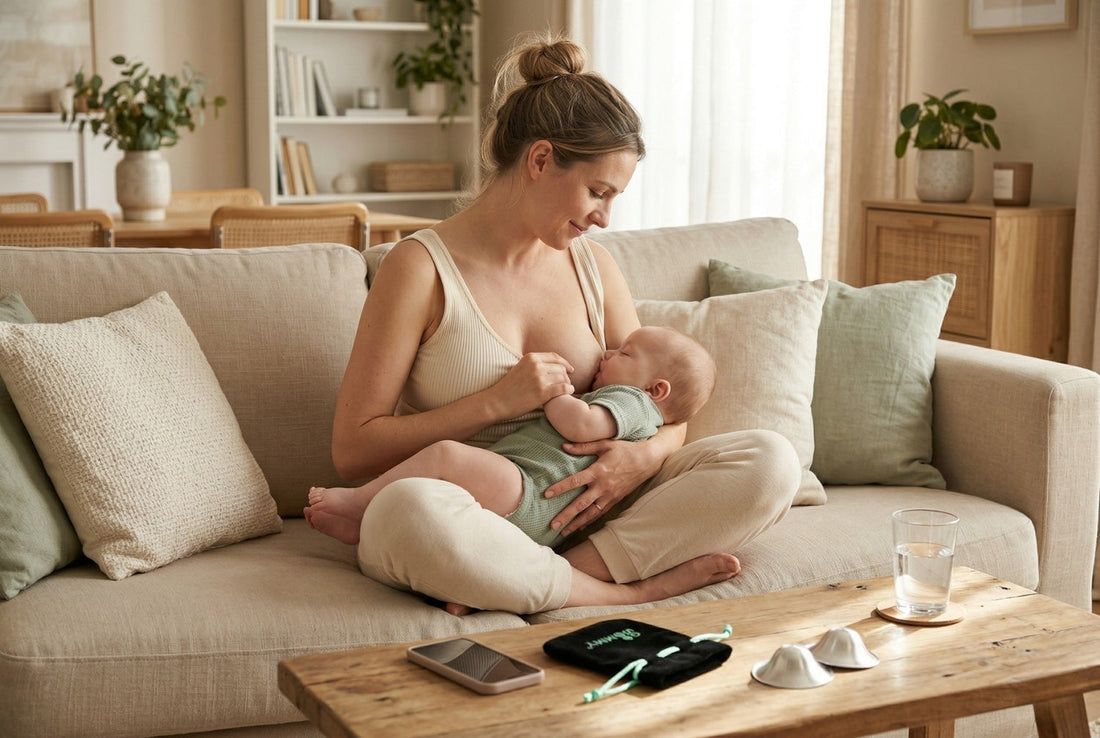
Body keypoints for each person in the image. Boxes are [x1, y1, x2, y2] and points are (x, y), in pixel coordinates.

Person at [328, 34, 801, 615]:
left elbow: (664, 411)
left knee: (770, 461)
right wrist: (496, 402)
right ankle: (619, 591)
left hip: (588, 511)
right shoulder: (420, 268)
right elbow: (352, 452)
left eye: (614, 198)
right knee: (408, 516)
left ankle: (545, 578)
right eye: (597, 192)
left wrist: (642, 459)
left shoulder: (594, 267)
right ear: (541, 159)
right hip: (468, 512)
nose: (604, 218)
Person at [307, 325, 716, 548]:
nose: (609, 354)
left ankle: (361, 504)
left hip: (532, 489)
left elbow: (581, 426)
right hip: (536, 502)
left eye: (623, 354)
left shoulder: (632, 402)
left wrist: (555, 392)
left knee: (448, 456)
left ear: (656, 389)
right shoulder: (635, 404)